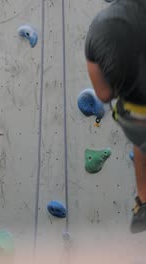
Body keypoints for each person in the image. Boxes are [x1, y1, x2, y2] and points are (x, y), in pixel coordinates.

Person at [85, 0, 146, 233]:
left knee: (140, 141)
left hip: (138, 117)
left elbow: (103, 93)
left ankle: (144, 203)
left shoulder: (100, 27)